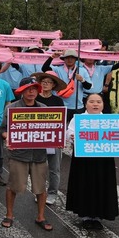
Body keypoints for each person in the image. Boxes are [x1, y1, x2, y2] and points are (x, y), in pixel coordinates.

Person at [0, 77, 53, 231]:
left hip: (39, 155)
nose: (31, 92)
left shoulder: (43, 108)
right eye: (28, 89)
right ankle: (9, 215)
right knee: (13, 185)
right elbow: (3, 129)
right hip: (18, 154)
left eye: (34, 88)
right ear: (22, 91)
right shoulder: (12, 108)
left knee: (40, 187)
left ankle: (41, 216)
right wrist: (7, 136)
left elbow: (52, 129)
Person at [65, 94, 119, 230]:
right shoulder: (78, 118)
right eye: (91, 102)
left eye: (98, 102)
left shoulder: (109, 120)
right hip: (83, 159)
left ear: (103, 104)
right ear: (86, 104)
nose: (95, 104)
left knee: (102, 184)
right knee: (84, 183)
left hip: (104, 159)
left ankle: (98, 216)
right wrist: (72, 136)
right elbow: (69, 132)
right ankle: (85, 216)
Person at [32, 70, 66, 206]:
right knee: (38, 167)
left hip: (54, 138)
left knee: (54, 168)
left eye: (48, 82)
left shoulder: (58, 100)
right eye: (43, 82)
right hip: (37, 137)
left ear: (53, 85)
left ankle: (52, 193)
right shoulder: (35, 99)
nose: (45, 84)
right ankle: (39, 192)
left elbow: (62, 120)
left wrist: (61, 138)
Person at [41, 49, 93, 123]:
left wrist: (82, 80)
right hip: (60, 105)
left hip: (77, 106)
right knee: (61, 127)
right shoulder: (57, 69)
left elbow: (89, 86)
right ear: (64, 59)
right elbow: (44, 69)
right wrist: (52, 57)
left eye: (72, 58)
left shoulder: (82, 70)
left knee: (76, 129)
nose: (70, 59)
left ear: (75, 59)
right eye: (67, 57)